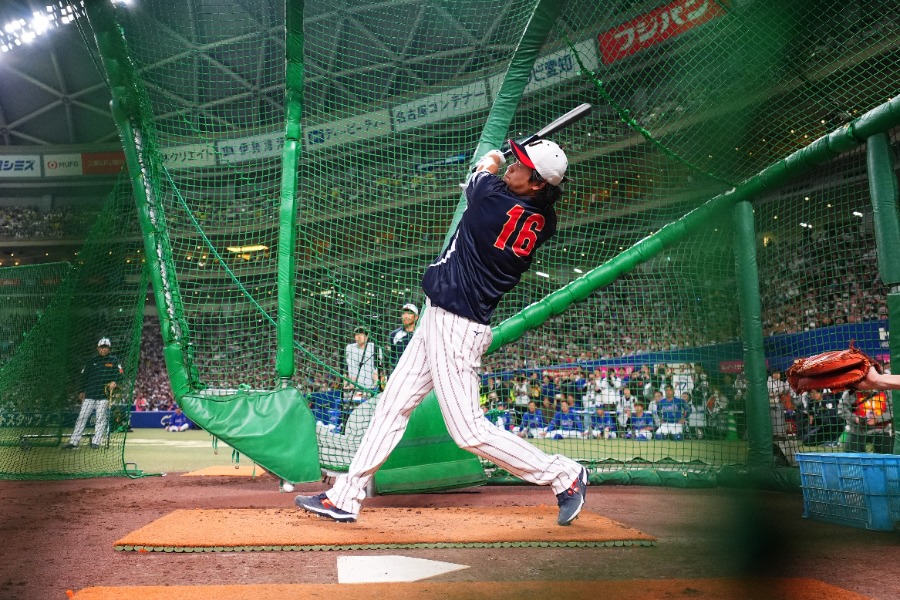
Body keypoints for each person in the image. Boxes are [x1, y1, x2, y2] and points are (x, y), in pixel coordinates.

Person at [296, 139, 587, 526]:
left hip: (458, 325)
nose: (512, 166)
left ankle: (565, 474)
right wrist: (516, 165)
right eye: (515, 160)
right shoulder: (543, 219)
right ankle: (345, 496)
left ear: (536, 184)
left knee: (468, 432)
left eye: (521, 166)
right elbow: (511, 184)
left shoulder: (492, 200)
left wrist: (495, 155)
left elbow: (484, 168)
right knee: (392, 405)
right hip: (440, 317)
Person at [64, 338, 123, 450]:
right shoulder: (91, 361)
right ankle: (74, 442)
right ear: (97, 348)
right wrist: (81, 390)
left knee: (100, 419)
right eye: (101, 347)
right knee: (82, 418)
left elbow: (120, 373)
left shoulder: (114, 360)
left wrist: (115, 382)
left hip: (104, 396)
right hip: (90, 395)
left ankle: (96, 442)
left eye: (105, 347)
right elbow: (84, 376)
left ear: (109, 349)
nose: (103, 349)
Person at [345, 326, 381, 402]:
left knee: (372, 405)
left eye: (361, 334)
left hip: (372, 387)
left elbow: (377, 368)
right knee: (357, 404)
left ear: (367, 336)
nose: (358, 337)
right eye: (356, 334)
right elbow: (351, 368)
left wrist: (376, 384)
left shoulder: (375, 348)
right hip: (357, 387)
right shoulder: (350, 348)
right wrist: (352, 384)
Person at [387, 303, 419, 373]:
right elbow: (392, 357)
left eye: (409, 313)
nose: (406, 316)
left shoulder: (420, 334)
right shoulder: (394, 335)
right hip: (399, 373)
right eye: (404, 313)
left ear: (416, 317)